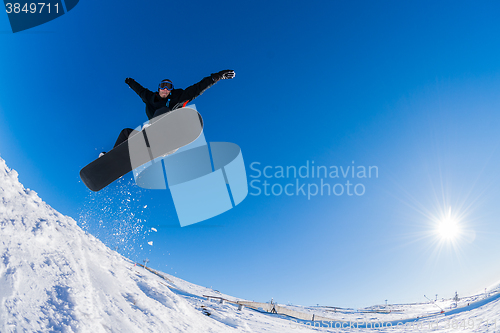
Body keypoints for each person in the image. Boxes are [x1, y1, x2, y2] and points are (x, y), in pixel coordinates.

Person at [100, 69, 235, 156]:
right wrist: (131, 82)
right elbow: (140, 91)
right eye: (163, 86)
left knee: (164, 111)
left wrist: (216, 77)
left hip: (171, 136)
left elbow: (198, 88)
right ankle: (111, 157)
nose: (165, 89)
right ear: (158, 89)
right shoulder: (151, 98)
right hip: (152, 138)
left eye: (168, 87)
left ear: (171, 90)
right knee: (126, 133)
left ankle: (157, 135)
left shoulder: (178, 97)